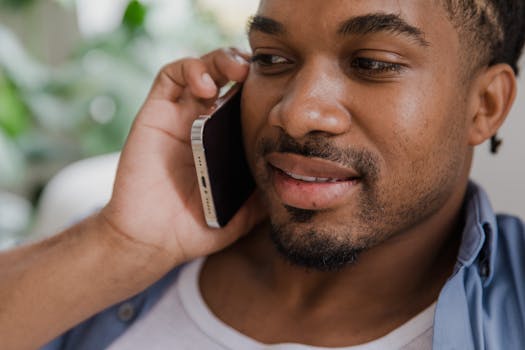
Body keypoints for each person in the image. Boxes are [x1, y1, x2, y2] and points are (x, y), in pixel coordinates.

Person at [1, 1, 524, 349]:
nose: (295, 114)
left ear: (485, 104)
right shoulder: (119, 257)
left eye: (371, 63)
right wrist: (117, 245)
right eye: (271, 58)